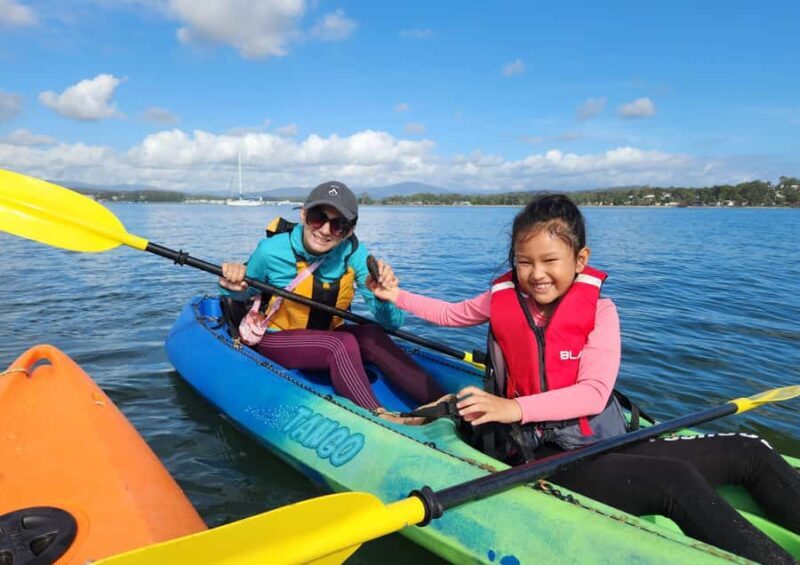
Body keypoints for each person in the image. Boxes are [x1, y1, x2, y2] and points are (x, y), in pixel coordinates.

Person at [369, 193, 800, 564]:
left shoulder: (601, 311)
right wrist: (396, 296)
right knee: (676, 481)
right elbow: (449, 314)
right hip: (541, 453)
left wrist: (512, 405)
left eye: (549, 261)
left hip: (601, 437)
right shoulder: (502, 299)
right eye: (524, 262)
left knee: (749, 450)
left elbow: (593, 395)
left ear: (581, 260)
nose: (536, 273)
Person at [218, 180, 444, 421]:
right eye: (318, 217)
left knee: (372, 335)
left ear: (350, 230)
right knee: (340, 343)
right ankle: (378, 417)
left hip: (328, 334)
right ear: (304, 215)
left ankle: (446, 405)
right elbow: (242, 293)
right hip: (277, 338)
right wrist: (232, 283)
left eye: (339, 225)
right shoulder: (270, 250)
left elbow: (393, 324)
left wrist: (384, 296)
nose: (325, 230)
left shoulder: (355, 253)